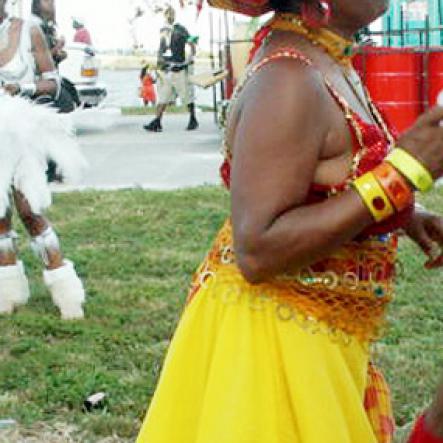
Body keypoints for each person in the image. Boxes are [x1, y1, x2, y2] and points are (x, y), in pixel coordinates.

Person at [136, 0, 443, 442]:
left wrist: (406, 214)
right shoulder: (289, 77)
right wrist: (402, 176)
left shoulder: (324, 56)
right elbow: (259, 248)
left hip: (318, 337)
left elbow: (326, 178)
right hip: (273, 352)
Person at [0, 0, 87, 320]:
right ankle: (8, 291)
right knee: (0, 216)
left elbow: (53, 83)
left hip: (22, 135)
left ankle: (66, 291)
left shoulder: (28, 30)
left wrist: (19, 87)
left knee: (29, 211)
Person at [143, 5, 198, 132]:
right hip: (166, 70)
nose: (169, 16)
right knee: (163, 97)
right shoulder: (163, 30)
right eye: (167, 14)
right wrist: (158, 66)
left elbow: (191, 43)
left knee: (186, 95)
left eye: (170, 14)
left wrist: (191, 57)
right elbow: (161, 50)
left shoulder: (180, 30)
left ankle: (193, 118)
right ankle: (157, 121)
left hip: (179, 69)